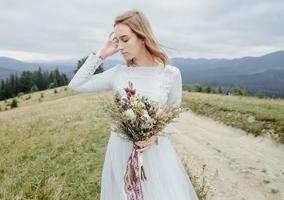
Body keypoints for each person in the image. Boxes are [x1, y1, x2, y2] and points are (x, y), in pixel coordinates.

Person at [68, 9, 199, 200]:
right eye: (117, 41)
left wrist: (154, 137)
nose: (120, 47)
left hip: (154, 154)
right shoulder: (118, 73)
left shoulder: (170, 74)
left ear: (142, 37)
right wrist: (102, 54)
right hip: (120, 151)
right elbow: (76, 84)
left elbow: (174, 115)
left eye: (125, 39)